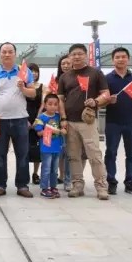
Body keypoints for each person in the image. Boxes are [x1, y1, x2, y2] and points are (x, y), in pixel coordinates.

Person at [57, 43, 110, 200]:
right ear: (70, 56)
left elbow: (106, 94)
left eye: (80, 54)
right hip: (70, 122)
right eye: (74, 54)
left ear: (86, 55)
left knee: (94, 154)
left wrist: (96, 101)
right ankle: (77, 185)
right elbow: (60, 100)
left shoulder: (95, 73)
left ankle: (101, 186)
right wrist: (63, 118)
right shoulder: (64, 77)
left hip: (88, 121)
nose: (77, 56)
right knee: (73, 156)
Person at [0, 42, 36, 198]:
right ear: (0, 54)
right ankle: (0, 185)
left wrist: (23, 88)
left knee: (22, 154)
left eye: (10, 51)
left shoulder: (24, 71)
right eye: (4, 51)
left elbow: (33, 93)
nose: (7, 54)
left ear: (15, 54)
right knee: (0, 154)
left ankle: (22, 186)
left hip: (20, 119)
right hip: (0, 121)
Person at [104, 47, 132, 196]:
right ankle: (111, 181)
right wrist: (108, 101)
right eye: (117, 57)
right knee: (111, 152)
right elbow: (102, 101)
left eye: (123, 57)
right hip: (112, 121)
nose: (121, 59)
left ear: (128, 59)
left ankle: (130, 182)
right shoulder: (107, 79)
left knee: (131, 153)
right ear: (113, 60)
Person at [34, 94, 65, 199]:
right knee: (46, 168)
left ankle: (53, 187)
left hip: (57, 147)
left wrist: (63, 130)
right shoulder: (41, 117)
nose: (53, 106)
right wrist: (52, 130)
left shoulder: (59, 117)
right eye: (50, 104)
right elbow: (39, 132)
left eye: (55, 104)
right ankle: (44, 188)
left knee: (54, 170)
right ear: (45, 105)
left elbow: (63, 128)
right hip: (46, 147)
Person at [49, 54, 73, 191]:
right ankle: (59, 176)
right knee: (58, 150)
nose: (65, 66)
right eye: (63, 63)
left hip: (73, 118)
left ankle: (69, 179)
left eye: (68, 63)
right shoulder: (55, 81)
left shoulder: (77, 80)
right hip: (56, 119)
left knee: (70, 151)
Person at [26, 63, 44, 185]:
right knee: (24, 148)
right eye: (31, 71)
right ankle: (25, 173)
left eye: (36, 71)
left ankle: (35, 173)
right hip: (24, 118)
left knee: (37, 148)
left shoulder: (42, 86)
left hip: (38, 118)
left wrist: (38, 118)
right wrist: (25, 119)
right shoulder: (23, 86)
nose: (34, 73)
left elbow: (43, 104)